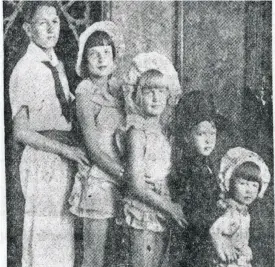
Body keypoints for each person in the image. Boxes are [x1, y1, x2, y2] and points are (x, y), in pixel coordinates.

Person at [9, 2, 89, 267]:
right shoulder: (25, 69)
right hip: (43, 159)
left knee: (62, 241)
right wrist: (66, 150)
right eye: (42, 23)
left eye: (54, 21)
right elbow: (21, 132)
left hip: (63, 159)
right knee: (44, 243)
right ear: (27, 29)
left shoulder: (57, 66)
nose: (50, 28)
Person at [120, 52, 187, 267]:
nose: (156, 98)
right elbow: (136, 185)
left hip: (161, 204)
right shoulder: (136, 133)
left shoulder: (162, 132)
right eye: (149, 91)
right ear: (137, 94)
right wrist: (170, 208)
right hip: (144, 207)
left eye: (161, 91)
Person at [68, 21, 126, 267]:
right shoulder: (84, 93)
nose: (101, 59)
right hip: (99, 180)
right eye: (94, 53)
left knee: (115, 255)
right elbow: (93, 149)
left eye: (106, 53)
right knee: (94, 258)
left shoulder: (117, 94)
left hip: (118, 178)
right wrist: (127, 176)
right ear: (84, 60)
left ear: (114, 59)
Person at [170, 90, 223, 266]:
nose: (209, 140)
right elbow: (193, 213)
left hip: (207, 235)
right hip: (195, 239)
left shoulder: (207, 164)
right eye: (201, 134)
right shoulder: (187, 167)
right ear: (186, 136)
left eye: (212, 133)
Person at [210, 147, 270, 267]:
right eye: (242, 184)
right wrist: (222, 252)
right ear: (230, 183)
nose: (249, 190)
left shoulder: (244, 212)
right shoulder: (231, 212)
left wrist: (246, 249)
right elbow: (214, 231)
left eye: (254, 185)